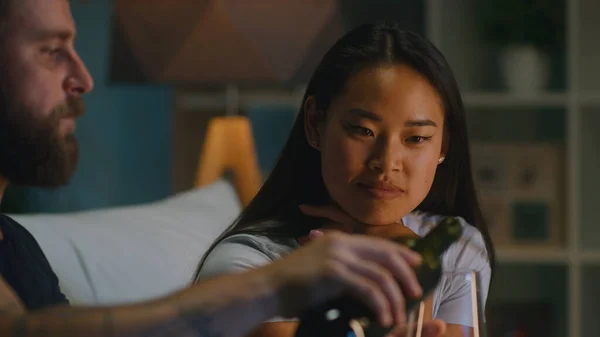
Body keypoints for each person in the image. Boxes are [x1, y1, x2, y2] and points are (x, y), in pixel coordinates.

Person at [0, 1, 447, 336]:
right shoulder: (252, 261)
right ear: (316, 123)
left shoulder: (17, 249)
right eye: (50, 49)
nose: (83, 77)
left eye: (417, 138)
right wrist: (274, 284)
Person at [194, 22, 496, 337]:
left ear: (443, 146)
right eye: (362, 130)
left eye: (417, 138)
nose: (387, 163)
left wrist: (410, 261)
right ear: (315, 123)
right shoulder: (243, 268)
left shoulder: (457, 247)